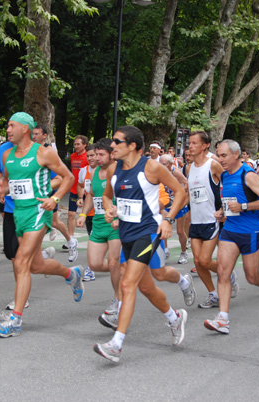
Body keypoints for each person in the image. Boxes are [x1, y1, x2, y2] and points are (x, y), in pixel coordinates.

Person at [93, 126, 188, 363]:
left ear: (133, 145)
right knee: (146, 288)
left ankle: (116, 344)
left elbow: (180, 192)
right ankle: (174, 317)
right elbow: (106, 196)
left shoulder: (151, 167)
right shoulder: (114, 169)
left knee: (127, 284)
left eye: (117, 141)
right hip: (125, 233)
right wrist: (109, 210)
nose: (112, 145)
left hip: (148, 232)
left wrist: (167, 220)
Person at [0, 112, 84, 338]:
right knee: (35, 266)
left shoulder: (43, 153)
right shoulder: (7, 155)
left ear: (25, 128)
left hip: (38, 212)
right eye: (7, 126)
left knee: (20, 260)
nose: (8, 130)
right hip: (19, 213)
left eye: (12, 125)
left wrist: (54, 198)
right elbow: (7, 182)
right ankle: (71, 274)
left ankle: (15, 320)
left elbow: (68, 177)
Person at [204, 140, 259, 335]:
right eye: (218, 155)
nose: (220, 159)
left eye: (224, 155)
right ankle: (222, 319)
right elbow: (230, 202)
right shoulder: (224, 176)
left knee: (252, 277)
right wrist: (221, 211)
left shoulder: (248, 175)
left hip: (252, 230)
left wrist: (243, 207)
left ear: (236, 155)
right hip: (230, 229)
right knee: (223, 272)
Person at [184, 131, 238, 308]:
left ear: (205, 145)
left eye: (194, 143)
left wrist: (223, 208)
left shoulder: (213, 165)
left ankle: (228, 274)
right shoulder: (189, 167)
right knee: (198, 262)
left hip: (211, 219)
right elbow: (190, 194)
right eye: (189, 143)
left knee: (205, 260)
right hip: (196, 221)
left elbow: (229, 183)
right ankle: (213, 293)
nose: (190, 146)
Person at [76, 138, 123, 326]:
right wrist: (82, 214)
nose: (96, 158)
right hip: (98, 223)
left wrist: (118, 215)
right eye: (95, 155)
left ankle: (118, 300)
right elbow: (91, 195)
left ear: (111, 154)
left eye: (100, 154)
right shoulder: (94, 172)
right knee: (94, 264)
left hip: (115, 226)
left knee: (113, 264)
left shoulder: (118, 172)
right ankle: (124, 270)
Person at [32, 124, 78, 261]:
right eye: (32, 134)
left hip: (50, 193)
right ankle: (40, 255)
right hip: (36, 196)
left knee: (55, 222)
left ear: (45, 136)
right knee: (39, 223)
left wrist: (43, 190)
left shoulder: (48, 152)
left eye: (37, 134)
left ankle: (70, 241)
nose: (33, 137)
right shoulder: (30, 151)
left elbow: (60, 178)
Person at [159, 153, 190, 263]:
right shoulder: (159, 172)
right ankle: (165, 250)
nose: (161, 166)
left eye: (163, 164)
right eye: (160, 163)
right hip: (166, 203)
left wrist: (178, 190)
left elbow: (187, 183)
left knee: (180, 231)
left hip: (177, 203)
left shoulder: (175, 172)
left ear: (170, 164)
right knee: (164, 227)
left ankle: (183, 252)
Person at [76, 144, 97, 280]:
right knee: (92, 239)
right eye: (88, 156)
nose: (89, 158)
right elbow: (80, 185)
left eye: (92, 155)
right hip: (89, 212)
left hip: (104, 213)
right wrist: (79, 197)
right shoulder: (84, 171)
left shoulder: (107, 171)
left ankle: (91, 268)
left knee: (96, 241)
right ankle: (93, 266)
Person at [67, 135, 88, 240]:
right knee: (71, 213)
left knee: (89, 215)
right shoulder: (72, 156)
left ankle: (93, 237)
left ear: (85, 145)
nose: (76, 146)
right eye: (75, 144)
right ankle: (70, 239)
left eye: (78, 144)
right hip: (74, 189)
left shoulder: (88, 157)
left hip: (87, 190)